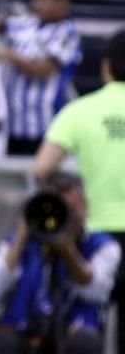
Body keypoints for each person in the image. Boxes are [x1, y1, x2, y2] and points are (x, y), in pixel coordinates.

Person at [33, 28, 125, 354]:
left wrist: (71, 196)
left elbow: (41, 169)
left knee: (85, 334)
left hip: (93, 238)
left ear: (105, 66)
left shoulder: (80, 111)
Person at [0, 173, 120, 354]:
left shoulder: (102, 246)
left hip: (73, 330)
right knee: (1, 344)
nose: (65, 218)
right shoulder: (18, 244)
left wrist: (68, 250)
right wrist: (22, 236)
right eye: (58, 209)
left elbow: (96, 291)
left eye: (72, 209)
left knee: (84, 344)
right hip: (23, 329)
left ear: (85, 208)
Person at [0, 0, 81, 156]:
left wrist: (10, 56)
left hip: (45, 124)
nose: (37, 3)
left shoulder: (68, 33)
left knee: (42, 179)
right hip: (13, 122)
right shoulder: (26, 24)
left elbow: (43, 70)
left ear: (63, 2)